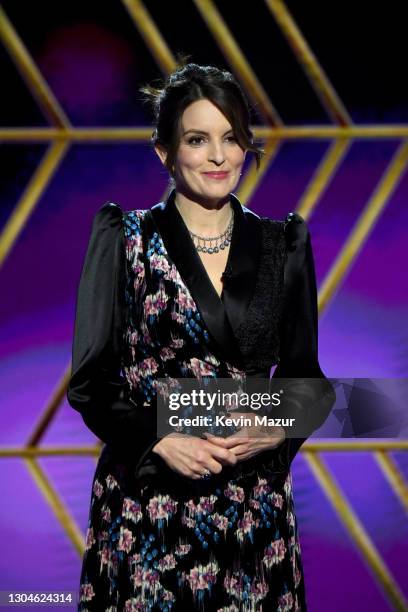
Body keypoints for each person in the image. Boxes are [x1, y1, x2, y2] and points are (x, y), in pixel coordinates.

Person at [67, 62, 334, 612]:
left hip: (253, 516)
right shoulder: (126, 238)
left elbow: (310, 382)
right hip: (148, 511)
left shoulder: (283, 244)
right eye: (197, 139)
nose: (218, 156)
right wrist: (161, 437)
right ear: (165, 152)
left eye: (231, 138)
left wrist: (278, 428)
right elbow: (92, 382)